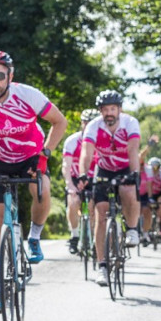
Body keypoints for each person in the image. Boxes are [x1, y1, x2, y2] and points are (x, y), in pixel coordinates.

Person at [0, 51, 67, 314]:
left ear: (10, 75)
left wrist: (46, 154)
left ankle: (35, 237)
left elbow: (59, 122)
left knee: (41, 188)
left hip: (31, 155)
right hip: (2, 160)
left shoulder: (27, 94)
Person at [77, 89, 142, 287]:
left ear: (119, 109)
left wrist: (134, 174)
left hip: (124, 168)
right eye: (105, 109)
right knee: (101, 215)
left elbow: (133, 149)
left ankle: (132, 229)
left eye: (113, 108)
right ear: (101, 111)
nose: (109, 113)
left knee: (129, 191)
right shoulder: (94, 126)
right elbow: (86, 153)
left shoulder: (130, 123)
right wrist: (83, 174)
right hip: (103, 170)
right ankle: (103, 267)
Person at [62, 108, 100, 254]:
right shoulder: (72, 140)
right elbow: (66, 164)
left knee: (92, 207)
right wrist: (70, 185)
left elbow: (100, 163)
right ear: (82, 124)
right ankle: (75, 235)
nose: (89, 126)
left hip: (93, 177)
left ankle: (94, 237)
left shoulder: (100, 141)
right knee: (73, 202)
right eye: (86, 122)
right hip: (74, 176)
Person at [140, 156, 161, 242]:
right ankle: (147, 228)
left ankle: (160, 221)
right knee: (146, 210)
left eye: (156, 167)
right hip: (149, 193)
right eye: (152, 167)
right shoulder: (147, 173)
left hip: (159, 193)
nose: (154, 169)